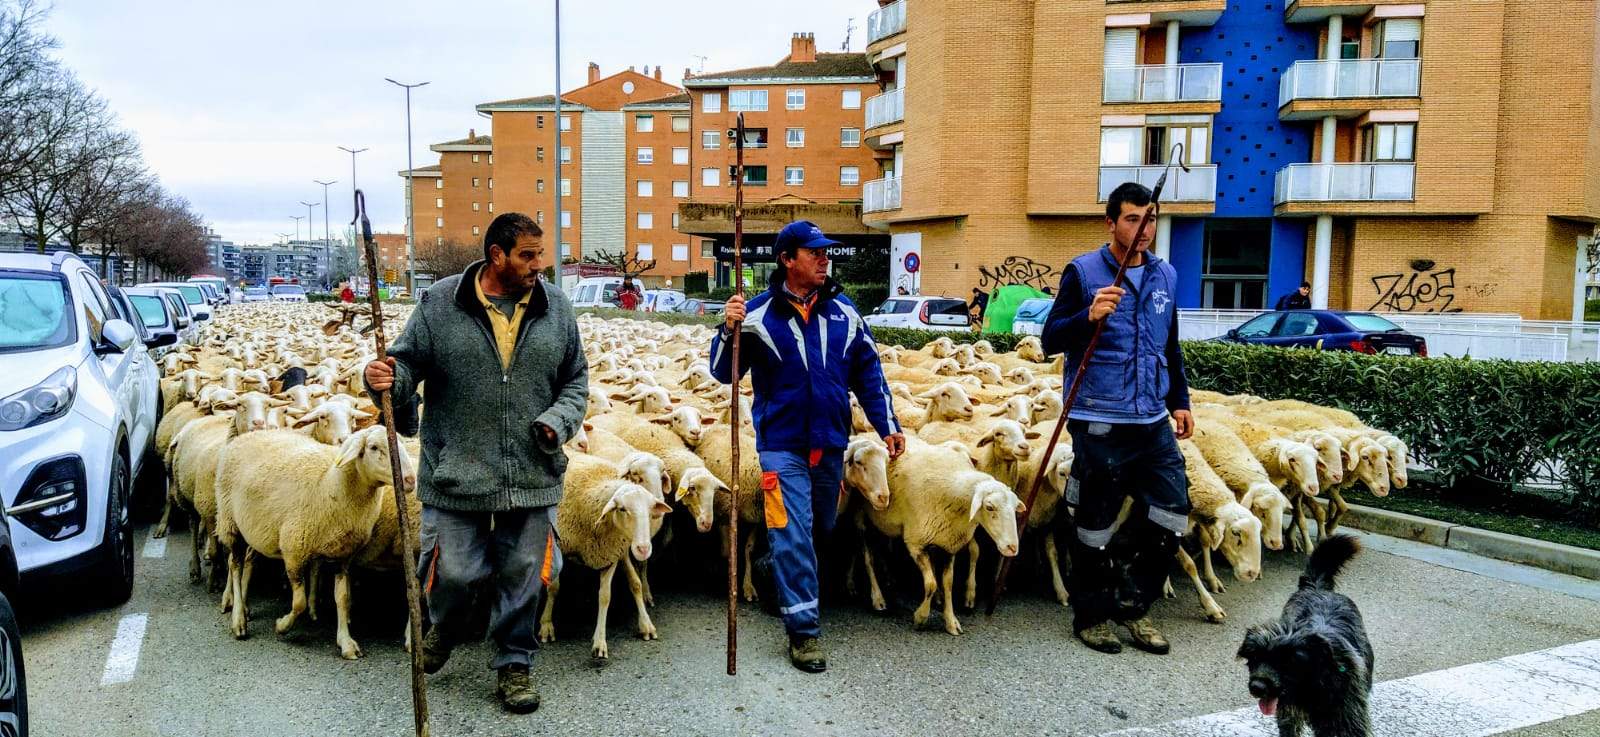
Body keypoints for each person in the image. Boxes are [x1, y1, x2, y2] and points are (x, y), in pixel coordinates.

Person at [363, 212, 588, 714]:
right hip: (458, 468)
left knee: (525, 572)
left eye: (539, 253)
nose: (538, 265)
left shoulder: (557, 310)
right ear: (497, 256)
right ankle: (443, 624)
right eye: (527, 255)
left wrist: (558, 421)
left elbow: (576, 380)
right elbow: (406, 365)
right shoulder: (441, 303)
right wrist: (385, 377)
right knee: (455, 573)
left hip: (533, 468)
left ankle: (515, 662)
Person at [713, 220, 905, 674]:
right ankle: (804, 633)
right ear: (787, 259)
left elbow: (870, 375)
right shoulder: (757, 315)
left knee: (820, 528)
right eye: (814, 252)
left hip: (831, 444)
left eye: (826, 252)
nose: (824, 258)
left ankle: (770, 567)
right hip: (781, 447)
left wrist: (887, 425)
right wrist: (727, 330)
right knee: (793, 532)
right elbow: (725, 372)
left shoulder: (845, 313)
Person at [1040, 181, 1194, 657]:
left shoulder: (1166, 275)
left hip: (1150, 418)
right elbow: (1050, 338)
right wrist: (1088, 316)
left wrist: (1180, 400)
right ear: (1111, 222)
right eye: (1133, 219)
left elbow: (1169, 346)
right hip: (1099, 415)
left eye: (1150, 219)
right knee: (1096, 524)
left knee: (1173, 512)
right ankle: (1092, 615)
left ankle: (1134, 604)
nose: (1143, 229)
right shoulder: (1083, 272)